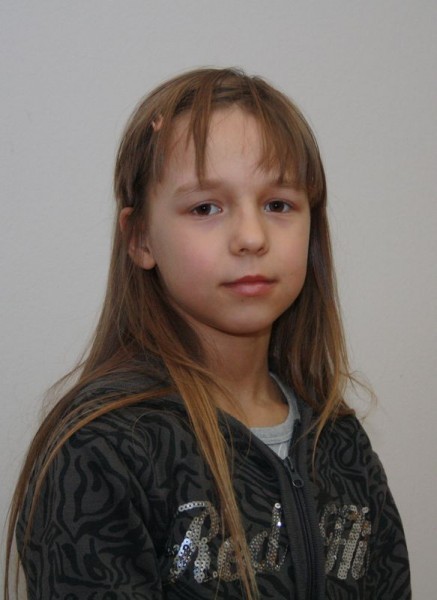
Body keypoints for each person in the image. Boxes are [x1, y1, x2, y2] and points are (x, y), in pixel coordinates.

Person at [5, 68, 411, 600]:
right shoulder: (102, 447)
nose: (251, 236)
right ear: (140, 238)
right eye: (205, 207)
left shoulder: (339, 438)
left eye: (278, 204)